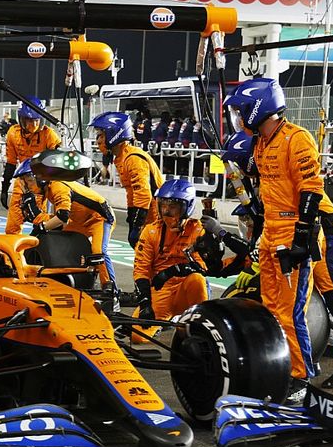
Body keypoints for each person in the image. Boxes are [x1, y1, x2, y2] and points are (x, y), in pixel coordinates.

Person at [222, 129, 333, 389]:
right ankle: (321, 344)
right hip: (315, 230)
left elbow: (309, 198)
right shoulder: (264, 183)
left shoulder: (278, 166)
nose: (235, 175)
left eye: (237, 166)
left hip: (331, 231)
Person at [223, 78, 323, 405]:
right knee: (271, 309)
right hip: (270, 236)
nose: (238, 118)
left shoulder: (298, 139)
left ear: (258, 107)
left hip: (292, 233)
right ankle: (282, 369)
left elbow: (312, 188)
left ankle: (301, 376)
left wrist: (302, 236)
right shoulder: (262, 142)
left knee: (292, 313)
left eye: (241, 111)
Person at [14, 152, 116, 288]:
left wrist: (43, 226)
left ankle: (110, 289)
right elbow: (55, 220)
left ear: (41, 178)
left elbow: (62, 217)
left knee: (98, 251)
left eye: (29, 180)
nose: (27, 185)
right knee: (60, 239)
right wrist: (39, 222)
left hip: (100, 218)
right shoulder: (48, 189)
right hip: (80, 220)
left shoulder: (58, 186)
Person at [133, 179, 208, 321]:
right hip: (161, 290)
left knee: (197, 280)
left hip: (185, 288)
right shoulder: (150, 231)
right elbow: (141, 270)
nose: (167, 212)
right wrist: (145, 304)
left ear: (187, 207)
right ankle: (169, 318)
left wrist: (172, 271)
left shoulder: (198, 230)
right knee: (138, 336)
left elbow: (203, 267)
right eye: (163, 206)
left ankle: (200, 319)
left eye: (173, 207)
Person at [90, 111, 164, 246]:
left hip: (155, 219)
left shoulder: (133, 158)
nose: (98, 140)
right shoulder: (121, 157)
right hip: (149, 217)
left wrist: (137, 225)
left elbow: (143, 194)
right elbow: (132, 192)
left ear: (114, 134)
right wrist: (132, 219)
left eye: (100, 135)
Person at [0, 98, 61, 234]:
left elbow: (59, 160)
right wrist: (4, 189)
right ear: (22, 119)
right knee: (12, 227)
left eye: (36, 120)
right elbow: (10, 163)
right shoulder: (13, 133)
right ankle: (14, 254)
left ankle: (40, 252)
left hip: (42, 184)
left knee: (41, 225)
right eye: (29, 120)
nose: (33, 124)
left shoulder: (49, 134)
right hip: (21, 182)